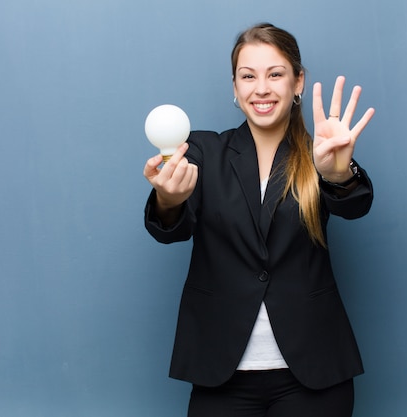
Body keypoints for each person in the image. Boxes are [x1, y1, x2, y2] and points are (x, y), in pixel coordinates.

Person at [143, 22, 375, 417]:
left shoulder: (320, 153)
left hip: (314, 373)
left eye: (275, 74)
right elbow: (170, 230)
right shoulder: (203, 150)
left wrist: (338, 175)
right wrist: (168, 198)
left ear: (298, 82)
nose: (261, 88)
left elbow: (354, 205)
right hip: (221, 373)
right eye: (248, 76)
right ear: (235, 87)